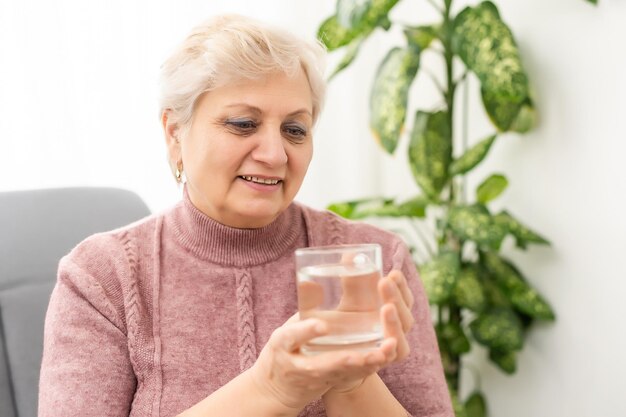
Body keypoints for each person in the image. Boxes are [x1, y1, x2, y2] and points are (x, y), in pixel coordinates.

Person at [38, 14, 453, 417]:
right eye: (242, 124)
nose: (274, 154)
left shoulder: (374, 260)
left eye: (295, 130)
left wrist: (351, 382)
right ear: (174, 133)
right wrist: (271, 388)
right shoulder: (102, 278)